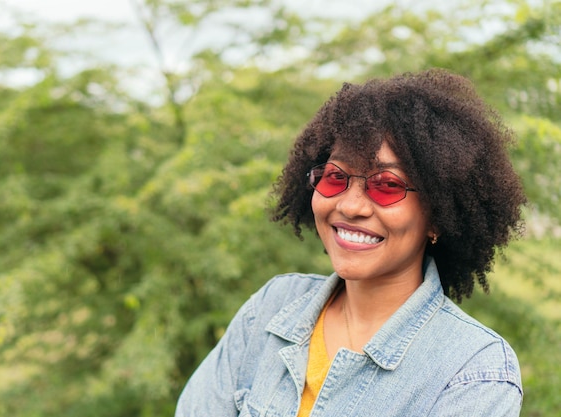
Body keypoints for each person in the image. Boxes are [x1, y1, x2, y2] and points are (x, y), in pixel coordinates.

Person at [175, 69, 526, 416]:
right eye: (335, 177)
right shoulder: (269, 310)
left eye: (386, 184)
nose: (350, 205)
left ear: (437, 216)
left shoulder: (474, 373)